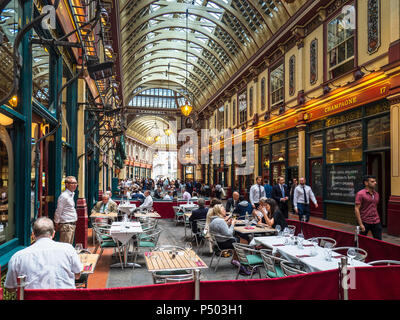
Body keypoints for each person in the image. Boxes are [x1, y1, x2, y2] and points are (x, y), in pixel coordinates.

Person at [4, 217, 82, 291]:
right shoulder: (68, 249)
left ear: (33, 235)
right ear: (53, 234)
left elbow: (10, 287)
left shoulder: (18, 257)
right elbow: (77, 275)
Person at [355, 175, 382, 240]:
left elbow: (375, 207)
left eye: (375, 181)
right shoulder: (360, 194)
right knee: (361, 241)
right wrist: (360, 224)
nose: (375, 183)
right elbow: (356, 209)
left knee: (379, 241)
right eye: (372, 181)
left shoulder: (376, 194)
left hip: (376, 221)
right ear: (366, 183)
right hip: (364, 221)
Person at [54, 176, 78, 244]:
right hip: (66, 226)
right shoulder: (64, 196)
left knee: (69, 247)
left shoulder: (71, 195)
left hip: (71, 225)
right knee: (65, 247)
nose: (74, 185)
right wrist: (56, 223)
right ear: (66, 184)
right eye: (72, 183)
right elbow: (58, 211)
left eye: (75, 183)